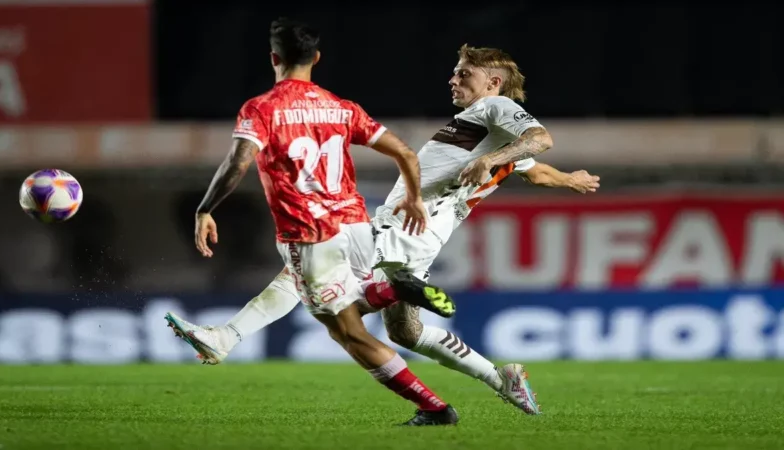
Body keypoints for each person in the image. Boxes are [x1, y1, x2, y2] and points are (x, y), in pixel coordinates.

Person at [171, 43, 601, 416]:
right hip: (414, 232)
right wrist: (568, 179)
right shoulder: (483, 126)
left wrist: (490, 162)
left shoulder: (496, 108)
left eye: (464, 74)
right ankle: (500, 378)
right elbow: (535, 169)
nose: (453, 79)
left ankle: (223, 337)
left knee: (311, 269)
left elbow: (540, 139)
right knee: (404, 332)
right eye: (454, 71)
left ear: (492, 83)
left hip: (411, 226)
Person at [165, 18, 461, 426]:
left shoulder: (263, 108)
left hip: (308, 233)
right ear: (316, 58)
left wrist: (205, 208)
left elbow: (238, 162)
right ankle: (224, 338)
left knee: (348, 332)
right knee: (295, 284)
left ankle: (434, 406)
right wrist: (412, 198)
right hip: (357, 229)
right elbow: (407, 154)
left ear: (273, 58)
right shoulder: (342, 108)